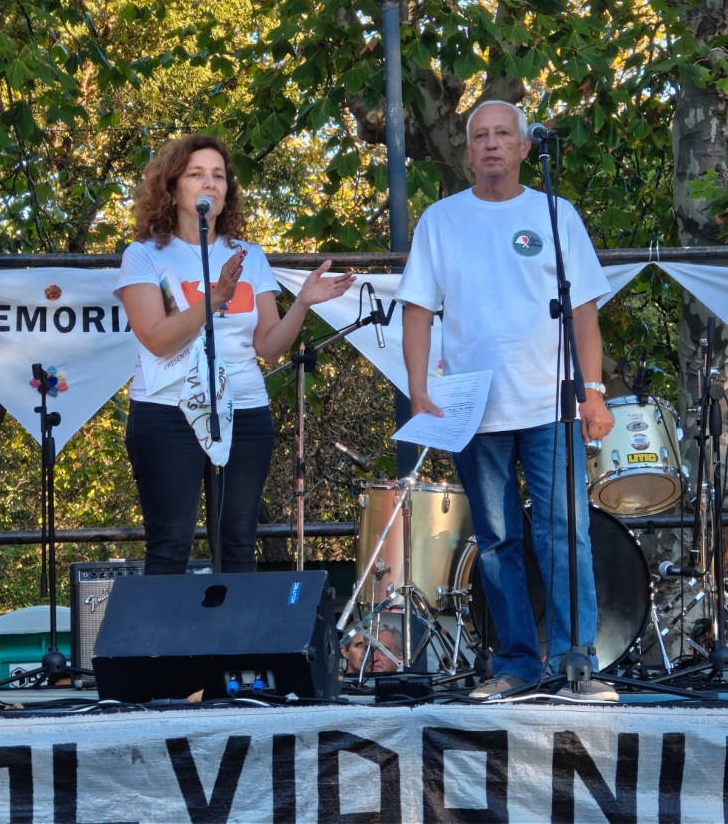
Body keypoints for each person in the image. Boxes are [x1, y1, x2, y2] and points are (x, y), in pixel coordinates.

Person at [395, 100, 618, 701]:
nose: (491, 143)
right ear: (468, 150)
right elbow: (417, 311)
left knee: (564, 533)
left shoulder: (556, 213)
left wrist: (593, 393)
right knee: (496, 543)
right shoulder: (441, 220)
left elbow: (583, 312)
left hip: (551, 406)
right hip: (474, 411)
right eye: (480, 136)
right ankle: (518, 666)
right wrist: (419, 389)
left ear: (524, 147)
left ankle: (576, 666)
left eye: (503, 134)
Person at [115, 134, 354, 575]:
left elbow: (269, 347)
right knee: (170, 545)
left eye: (219, 176)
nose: (210, 183)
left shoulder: (249, 256)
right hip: (167, 409)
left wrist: (302, 302)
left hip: (244, 407)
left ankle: (234, 626)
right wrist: (214, 299)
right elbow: (157, 339)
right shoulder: (144, 256)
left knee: (238, 545)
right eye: (196, 174)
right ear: (172, 188)